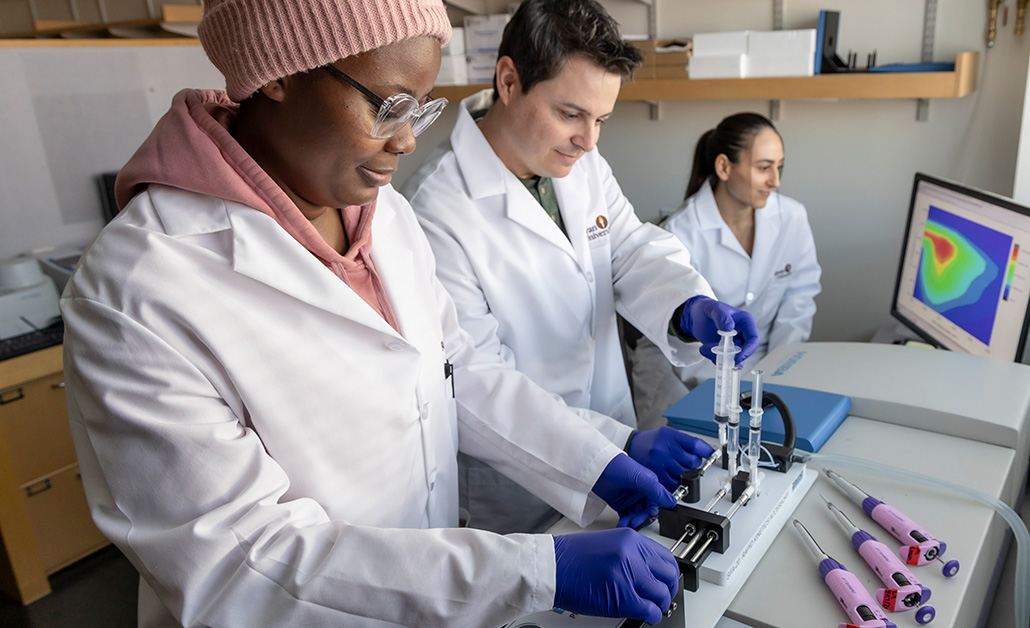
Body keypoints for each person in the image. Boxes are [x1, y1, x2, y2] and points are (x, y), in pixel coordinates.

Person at [61, 1, 689, 626]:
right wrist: (532, 572)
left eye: (420, 106)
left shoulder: (383, 214)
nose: (408, 138)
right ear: (278, 72)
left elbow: (455, 373)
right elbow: (241, 563)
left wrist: (599, 459)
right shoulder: (138, 289)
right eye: (388, 105)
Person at [402, 0, 759, 535]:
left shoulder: (580, 162)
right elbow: (477, 383)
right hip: (525, 485)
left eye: (601, 120)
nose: (589, 140)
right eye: (570, 114)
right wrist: (612, 450)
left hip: (616, 444)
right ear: (508, 80)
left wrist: (688, 306)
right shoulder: (437, 209)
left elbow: (629, 247)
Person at [631, 113, 822, 427]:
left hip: (761, 364)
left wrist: (777, 376)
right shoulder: (681, 232)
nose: (776, 181)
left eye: (779, 166)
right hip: (679, 369)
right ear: (723, 167)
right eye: (764, 167)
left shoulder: (792, 218)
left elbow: (799, 301)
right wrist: (733, 393)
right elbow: (685, 345)